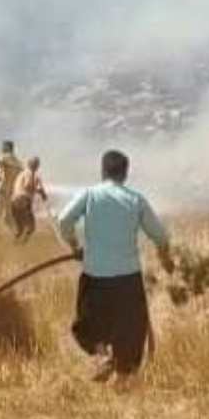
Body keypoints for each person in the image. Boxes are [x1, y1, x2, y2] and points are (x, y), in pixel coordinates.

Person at [58, 149, 173, 386]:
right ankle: (121, 378)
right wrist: (164, 256)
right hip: (127, 277)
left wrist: (73, 245)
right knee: (130, 329)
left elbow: (63, 220)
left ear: (103, 171)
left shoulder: (89, 195)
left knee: (88, 322)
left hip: (95, 274)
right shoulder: (135, 199)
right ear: (125, 174)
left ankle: (102, 357)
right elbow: (160, 235)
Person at [0, 140, 24, 233]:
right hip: (11, 193)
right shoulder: (18, 162)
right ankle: (16, 234)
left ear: (7, 147)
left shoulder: (5, 157)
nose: (2, 148)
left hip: (2, 191)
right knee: (8, 218)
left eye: (3, 147)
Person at [10, 156, 48, 241]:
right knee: (31, 227)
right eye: (37, 164)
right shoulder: (33, 174)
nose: (37, 166)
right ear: (35, 166)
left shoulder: (21, 173)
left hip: (13, 201)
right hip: (23, 200)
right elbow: (28, 185)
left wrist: (41, 191)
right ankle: (21, 246)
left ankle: (14, 245)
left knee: (20, 229)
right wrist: (41, 193)